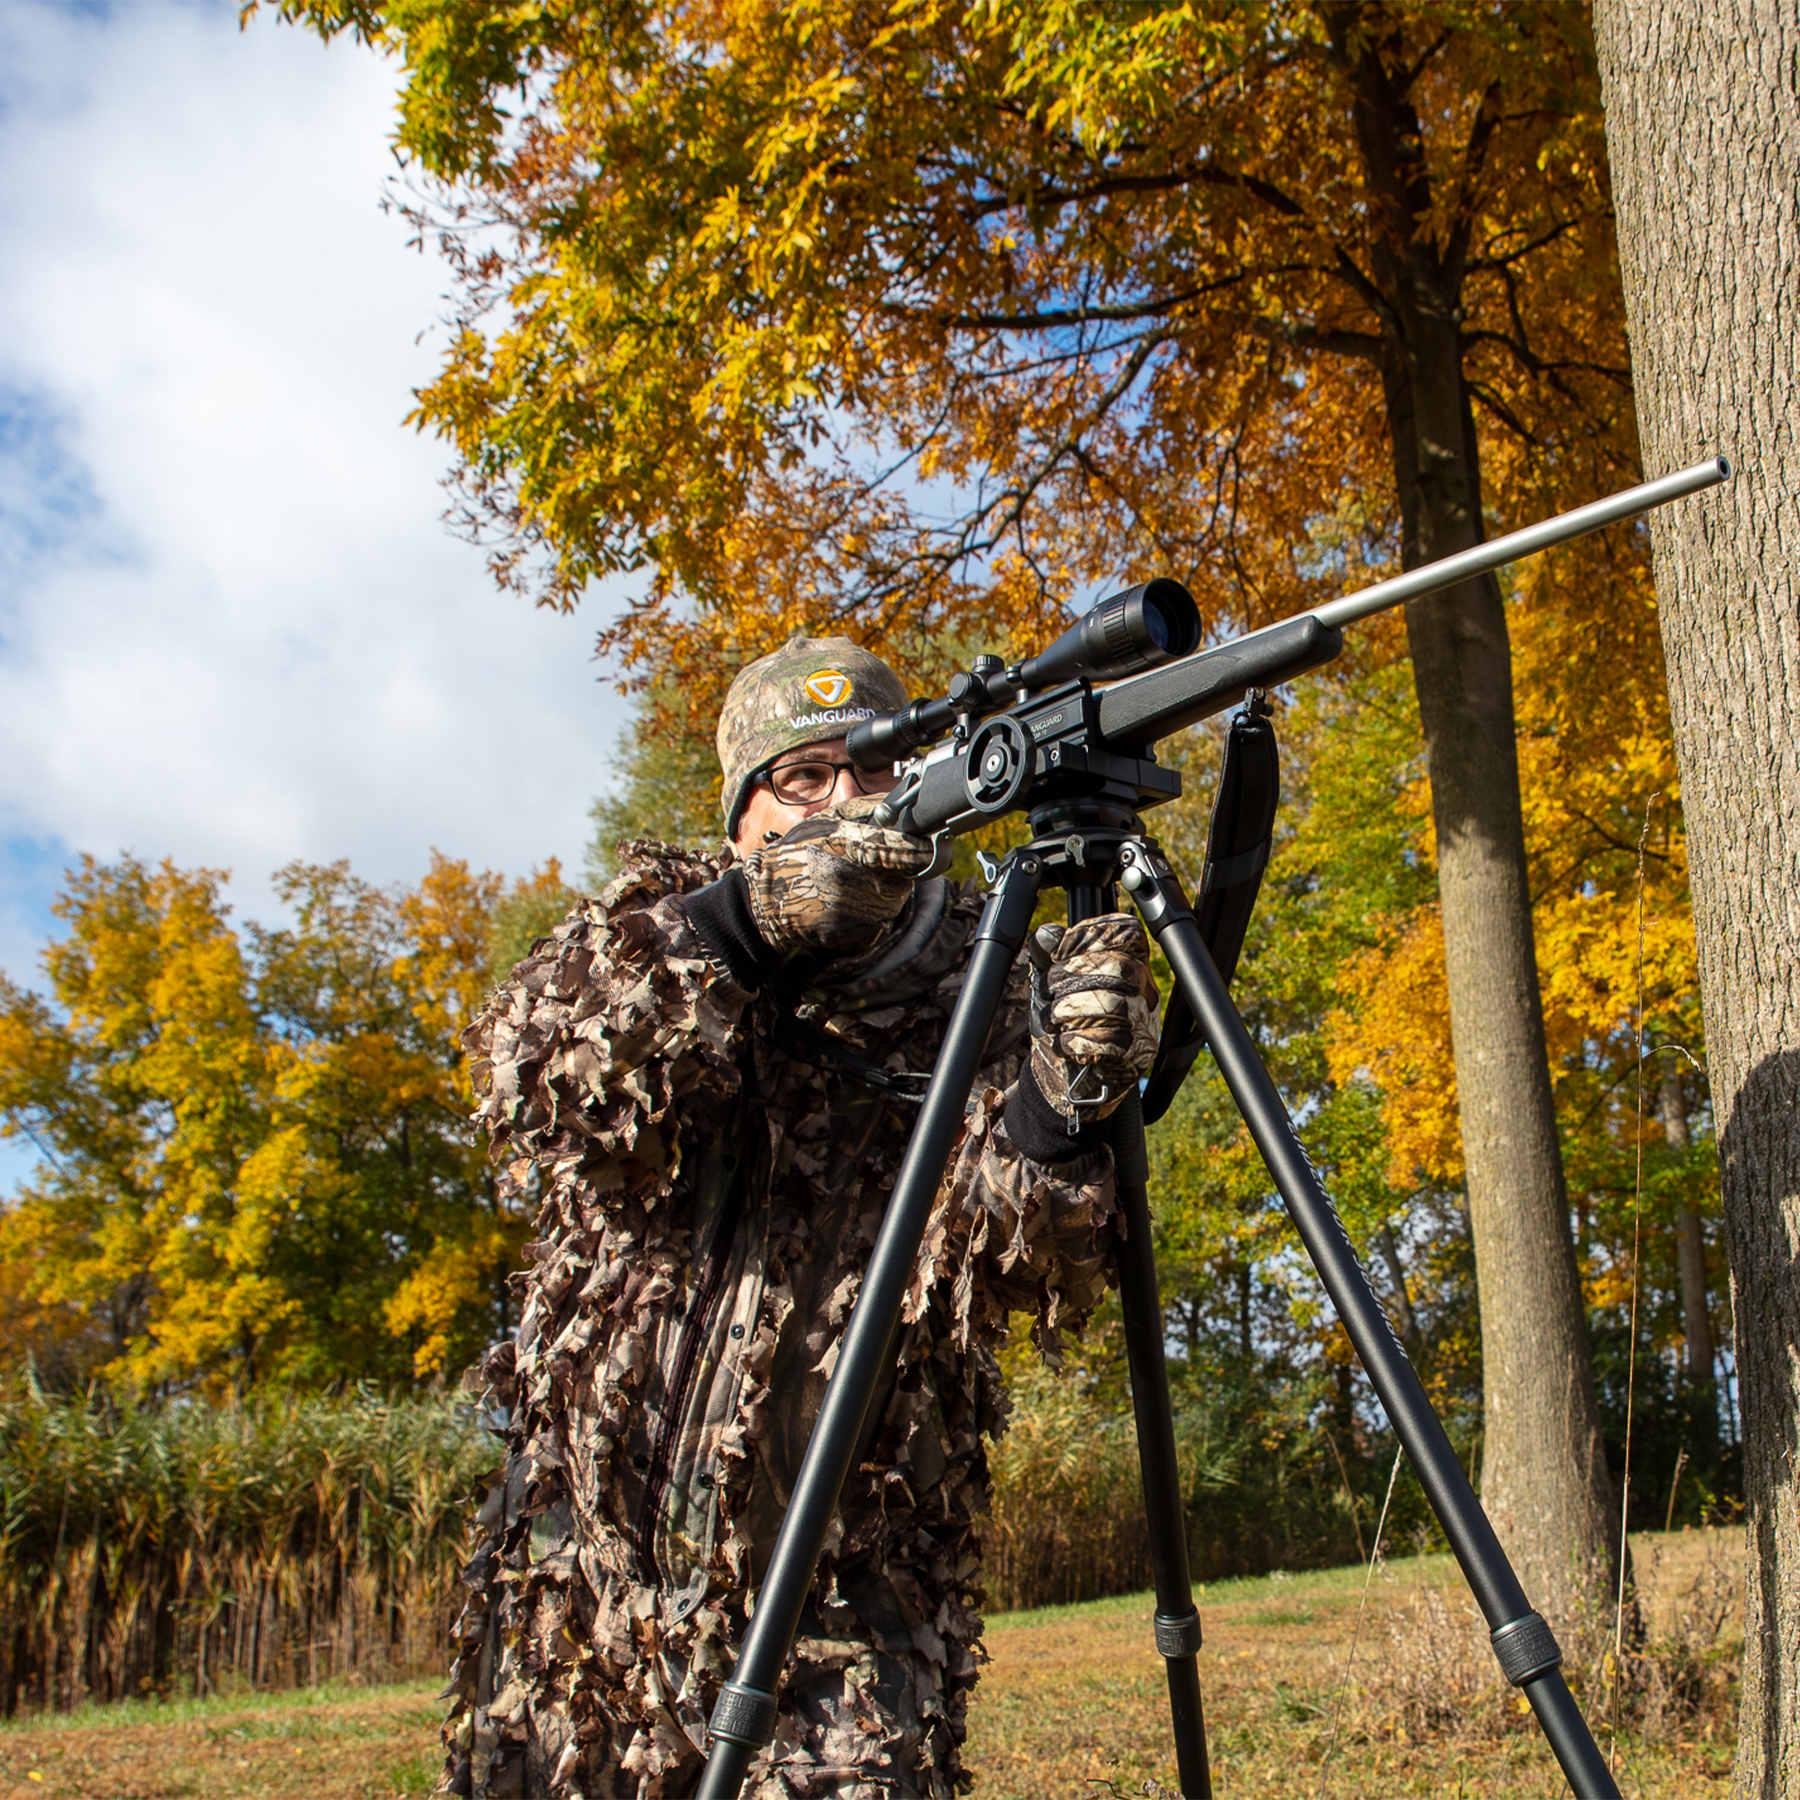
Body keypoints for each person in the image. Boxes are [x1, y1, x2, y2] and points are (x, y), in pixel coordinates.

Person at [443, 635, 1160, 1797]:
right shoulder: (660, 924)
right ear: (742, 817)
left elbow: (1020, 1263)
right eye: (804, 776)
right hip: (581, 1590)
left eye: (875, 770)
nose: (844, 799)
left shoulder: (982, 976)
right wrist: (749, 928)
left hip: (846, 1594)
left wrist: (1059, 1105)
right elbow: (537, 1087)